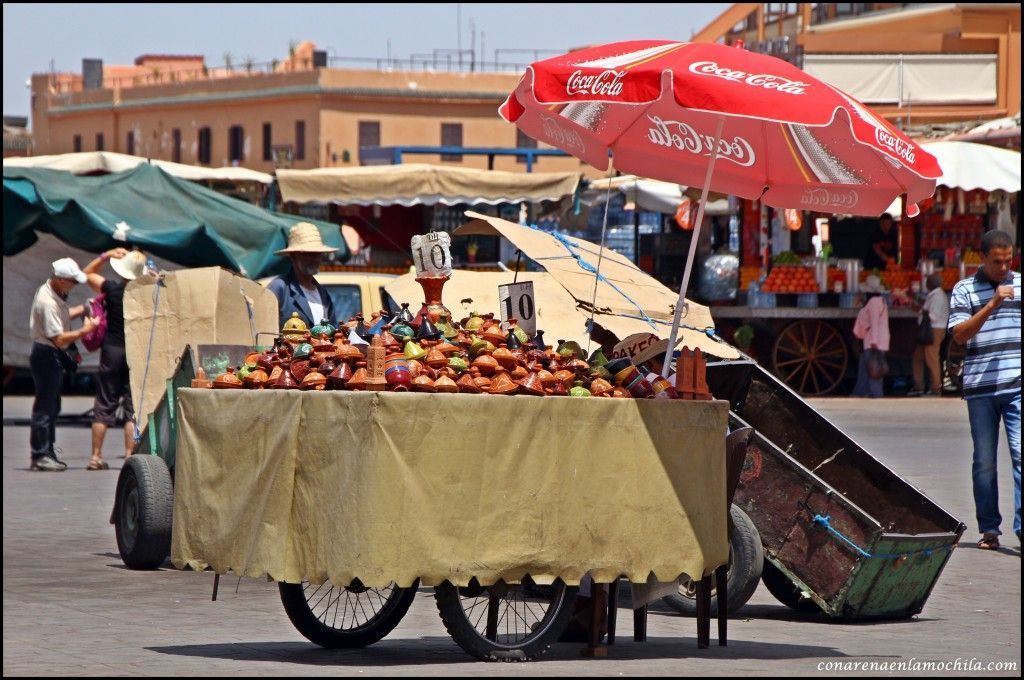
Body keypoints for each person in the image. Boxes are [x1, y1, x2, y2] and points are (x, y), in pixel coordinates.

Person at [948, 230, 1020, 551]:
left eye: (1008, 261)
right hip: (980, 389)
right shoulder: (964, 289)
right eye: (997, 262)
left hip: (1017, 384)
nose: (1004, 268)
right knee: (985, 462)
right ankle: (989, 528)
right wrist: (991, 304)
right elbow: (960, 335)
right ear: (982, 258)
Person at [28, 258, 98, 471]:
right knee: (45, 407)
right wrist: (85, 331)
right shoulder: (47, 302)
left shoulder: (54, 292)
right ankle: (40, 454)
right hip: (46, 355)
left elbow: (63, 315)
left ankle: (47, 449)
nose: (74, 285)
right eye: (72, 282)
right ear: (59, 279)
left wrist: (83, 309)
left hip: (50, 353)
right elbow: (58, 338)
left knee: (52, 405)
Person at [81, 247, 141, 470]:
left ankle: (95, 457)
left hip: (111, 350)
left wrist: (105, 256)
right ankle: (129, 456)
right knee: (132, 408)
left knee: (104, 402)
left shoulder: (113, 289)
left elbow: (85, 274)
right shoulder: (145, 295)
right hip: (135, 351)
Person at [266, 222, 339, 329]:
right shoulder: (279, 288)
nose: (314, 259)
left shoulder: (323, 294)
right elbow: (265, 331)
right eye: (308, 254)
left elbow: (333, 331)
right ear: (293, 256)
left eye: (317, 254)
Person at [908, 273, 950, 396]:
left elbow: (933, 316)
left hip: (934, 330)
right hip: (929, 330)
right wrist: (916, 299)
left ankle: (936, 389)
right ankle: (919, 385)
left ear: (930, 284)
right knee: (918, 357)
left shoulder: (937, 297)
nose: (925, 284)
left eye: (927, 282)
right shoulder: (935, 295)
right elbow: (927, 306)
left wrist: (919, 309)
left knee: (932, 359)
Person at [851, 275, 890, 398]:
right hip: (878, 339)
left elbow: (874, 322)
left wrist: (873, 341)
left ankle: (875, 393)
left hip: (873, 341)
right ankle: (862, 391)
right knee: (866, 366)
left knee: (874, 367)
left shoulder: (873, 302)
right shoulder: (881, 301)